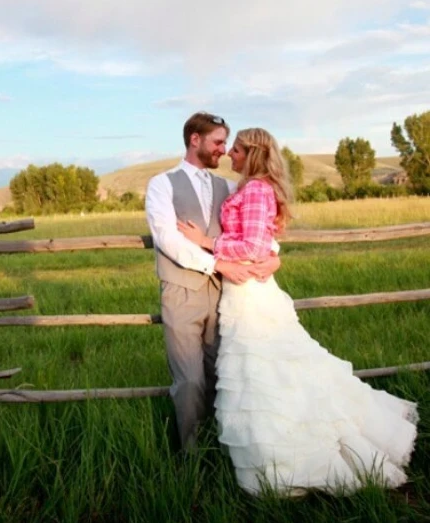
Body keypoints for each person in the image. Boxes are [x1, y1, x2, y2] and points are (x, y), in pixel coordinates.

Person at [177, 127, 418, 496]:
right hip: (241, 292)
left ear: (252, 153)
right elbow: (266, 243)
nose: (231, 155)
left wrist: (206, 242)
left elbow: (256, 245)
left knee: (269, 372)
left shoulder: (256, 189)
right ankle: (273, 461)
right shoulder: (249, 187)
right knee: (262, 376)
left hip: (252, 295)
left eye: (237, 150)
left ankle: (296, 458)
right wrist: (271, 256)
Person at [145, 113, 281, 449]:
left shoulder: (231, 187)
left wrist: (275, 255)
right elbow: (167, 238)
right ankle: (192, 456)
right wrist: (217, 262)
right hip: (182, 292)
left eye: (227, 144)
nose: (223, 150)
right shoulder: (162, 184)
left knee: (226, 376)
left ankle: (227, 448)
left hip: (228, 294)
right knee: (190, 381)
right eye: (218, 142)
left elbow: (256, 229)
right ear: (195, 139)